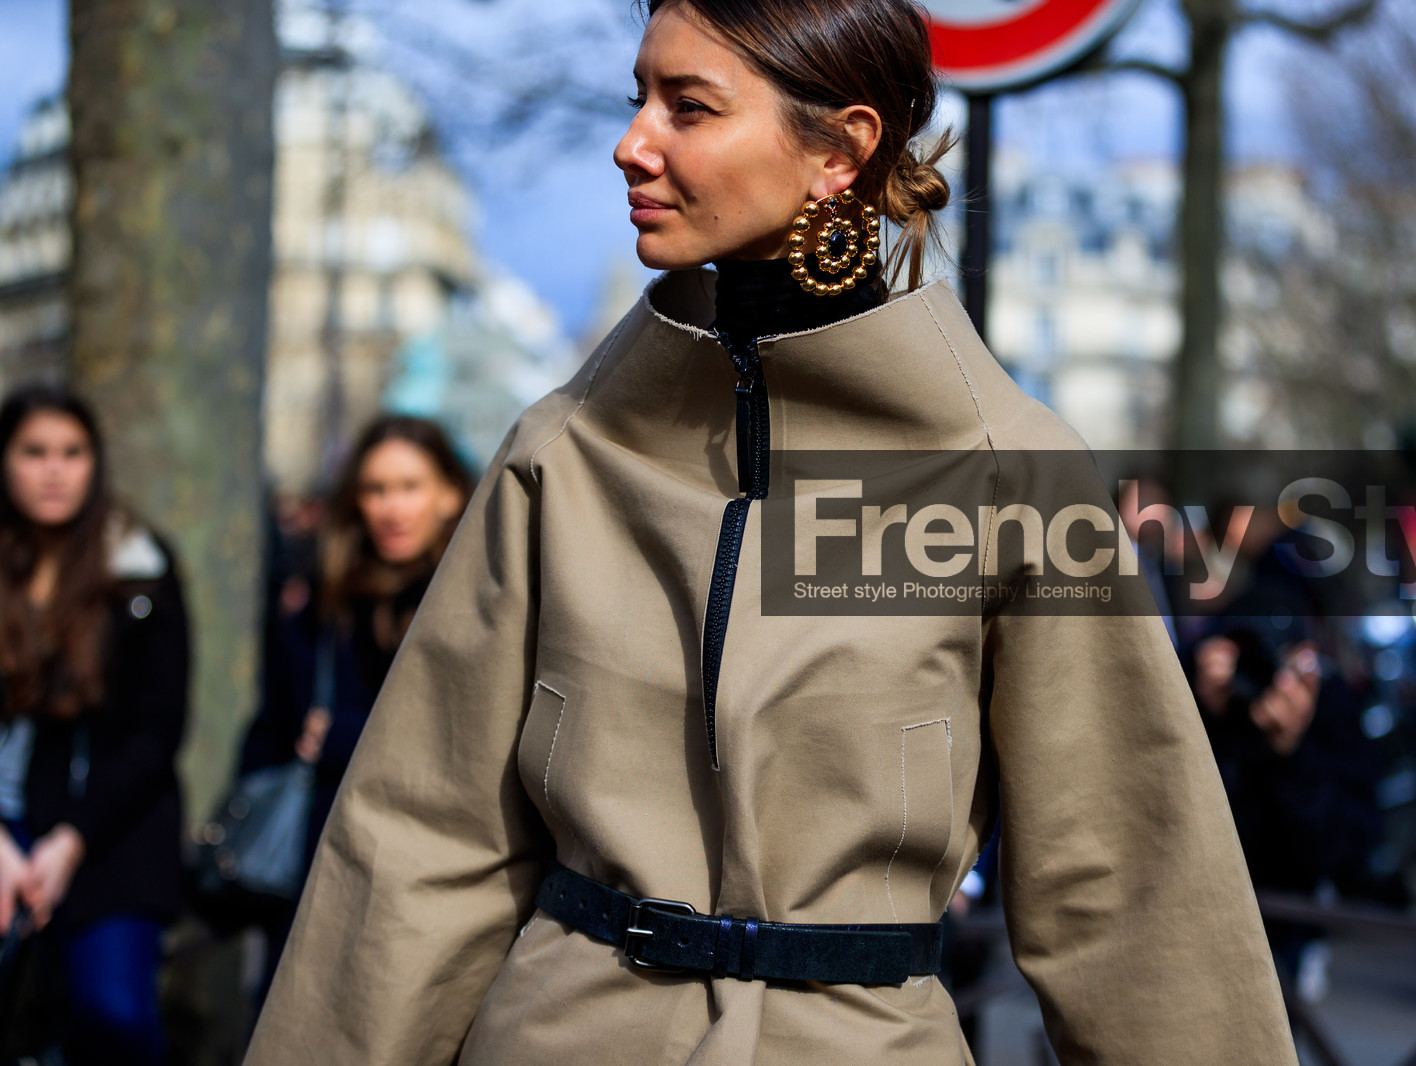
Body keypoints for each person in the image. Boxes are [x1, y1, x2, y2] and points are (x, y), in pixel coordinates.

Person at [243, 3, 1295, 1063]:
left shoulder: (1011, 477)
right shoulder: (558, 456)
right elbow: (421, 843)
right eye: (637, 100)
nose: (631, 143)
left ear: (838, 150)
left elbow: (1128, 891)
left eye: (687, 107)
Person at [235, 415, 469, 988]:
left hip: (430, 863)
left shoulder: (477, 599)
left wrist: (344, 736)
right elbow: (276, 724)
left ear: (450, 494)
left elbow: (462, 738)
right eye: (375, 489)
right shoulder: (322, 599)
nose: (392, 508)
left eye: (410, 487)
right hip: (318, 857)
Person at [0, 384, 189, 1065]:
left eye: (72, 452)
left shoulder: (140, 570)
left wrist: (71, 841)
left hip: (108, 829)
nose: (54, 469)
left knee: (115, 1015)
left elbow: (157, 729)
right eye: (34, 451)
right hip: (5, 822)